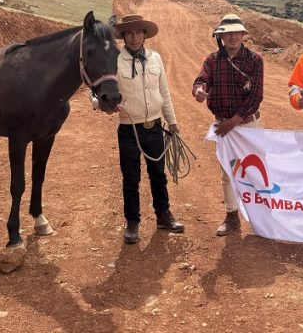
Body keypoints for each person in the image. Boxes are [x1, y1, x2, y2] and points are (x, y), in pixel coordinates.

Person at [112, 14, 184, 244]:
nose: (134, 38)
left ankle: (163, 215)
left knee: (158, 174)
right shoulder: (115, 60)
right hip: (128, 129)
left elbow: (164, 92)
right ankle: (132, 222)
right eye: (129, 34)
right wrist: (101, 104)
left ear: (144, 35)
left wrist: (172, 121)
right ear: (124, 36)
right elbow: (99, 91)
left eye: (138, 33)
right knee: (131, 178)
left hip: (154, 126)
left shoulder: (156, 58)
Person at [192, 13, 264, 236]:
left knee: (256, 170)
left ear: (243, 34)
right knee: (228, 172)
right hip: (224, 124)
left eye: (236, 32)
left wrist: (234, 121)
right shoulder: (212, 60)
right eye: (228, 33)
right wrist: (198, 90)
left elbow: (256, 96)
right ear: (221, 37)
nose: (232, 37)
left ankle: (262, 218)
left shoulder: (254, 60)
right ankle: (232, 216)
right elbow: (201, 80)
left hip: (247, 125)